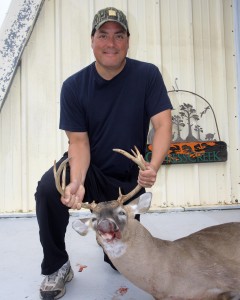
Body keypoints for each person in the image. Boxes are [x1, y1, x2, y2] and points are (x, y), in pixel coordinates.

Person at [35, 6, 172, 300]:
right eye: (103, 35)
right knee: (48, 190)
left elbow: (162, 125)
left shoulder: (147, 75)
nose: (111, 43)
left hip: (127, 181)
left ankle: (107, 242)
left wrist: (153, 167)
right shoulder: (73, 87)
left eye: (118, 35)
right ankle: (56, 265)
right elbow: (79, 143)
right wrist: (78, 181)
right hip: (92, 171)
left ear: (128, 40)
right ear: (92, 39)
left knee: (118, 263)